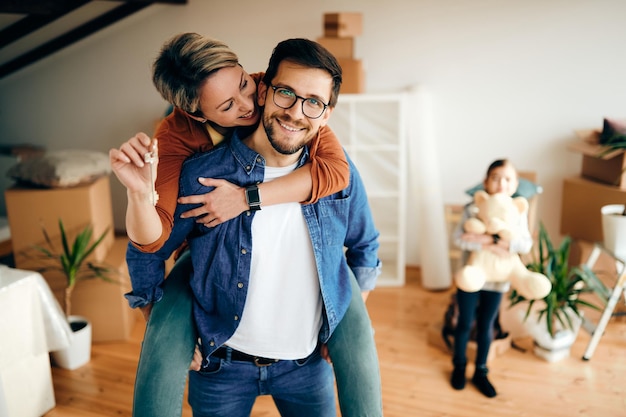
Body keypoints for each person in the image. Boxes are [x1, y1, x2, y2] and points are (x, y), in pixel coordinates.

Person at [110, 34, 382, 416]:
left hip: (307, 366)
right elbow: (147, 250)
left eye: (314, 103)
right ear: (268, 89)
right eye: (285, 93)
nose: (295, 112)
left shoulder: (334, 169)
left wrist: (342, 324)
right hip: (221, 367)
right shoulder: (200, 175)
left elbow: (365, 246)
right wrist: (159, 327)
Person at [450, 159, 533, 398]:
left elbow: (524, 243)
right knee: (465, 322)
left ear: (515, 184)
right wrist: (497, 242)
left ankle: (481, 370)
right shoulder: (473, 208)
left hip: (498, 280)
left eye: (507, 179)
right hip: (471, 276)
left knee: (488, 324)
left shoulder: (517, 212)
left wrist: (488, 240)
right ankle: (459, 364)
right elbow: (459, 238)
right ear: (486, 182)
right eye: (496, 178)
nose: (501, 184)